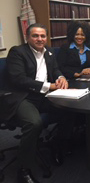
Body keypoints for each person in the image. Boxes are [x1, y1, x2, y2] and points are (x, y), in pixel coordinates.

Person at [5, 23, 70, 183]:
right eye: (35, 36)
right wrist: (49, 86)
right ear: (27, 37)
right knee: (34, 123)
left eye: (42, 36)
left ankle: (57, 144)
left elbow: (55, 70)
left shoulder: (49, 52)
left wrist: (61, 78)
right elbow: (18, 79)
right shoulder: (17, 52)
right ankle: (23, 170)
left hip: (42, 96)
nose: (39, 39)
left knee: (69, 109)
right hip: (23, 97)